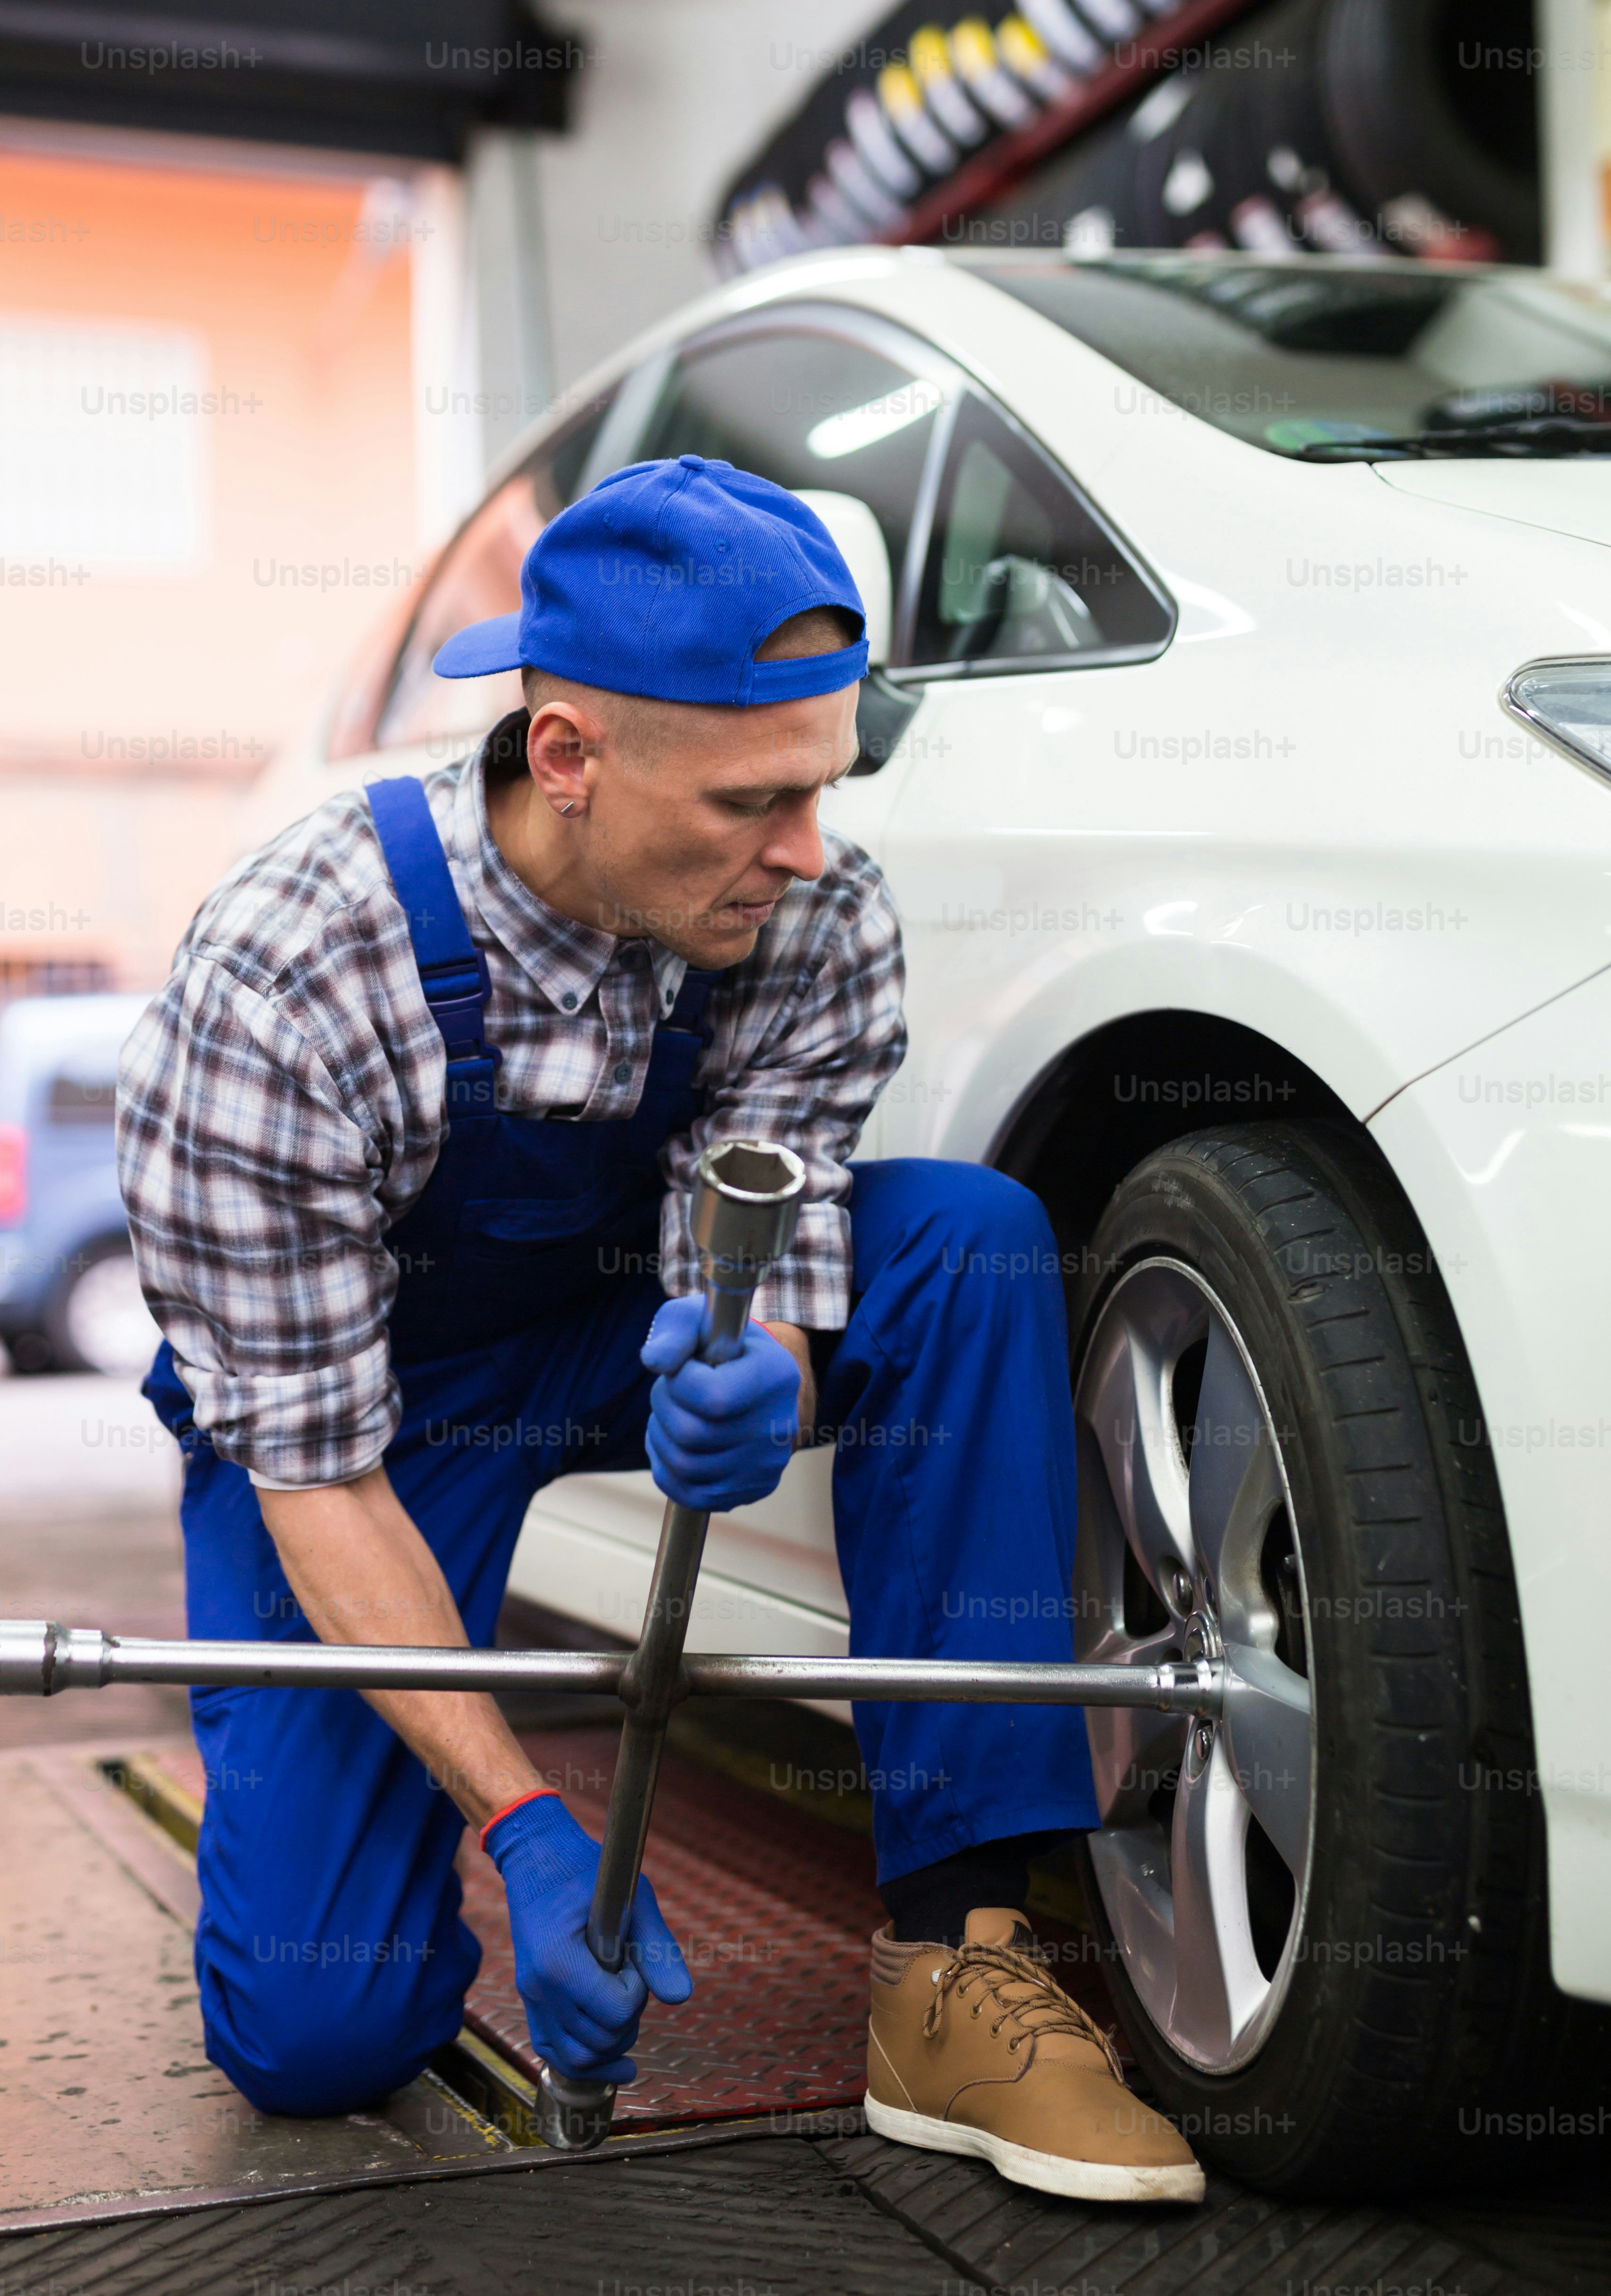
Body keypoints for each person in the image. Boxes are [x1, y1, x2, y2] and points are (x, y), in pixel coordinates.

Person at [120, 454, 1202, 2204]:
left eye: (824, 785)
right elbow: (314, 1470)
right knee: (317, 2035)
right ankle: (308, 1761)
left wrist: (763, 1352)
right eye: (750, 802)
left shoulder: (806, 912)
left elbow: (766, 1194)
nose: (808, 849)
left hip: (621, 1323)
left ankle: (957, 1959)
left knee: (969, 1244)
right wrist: (533, 1826)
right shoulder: (288, 982)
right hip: (361, 1427)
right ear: (566, 756)